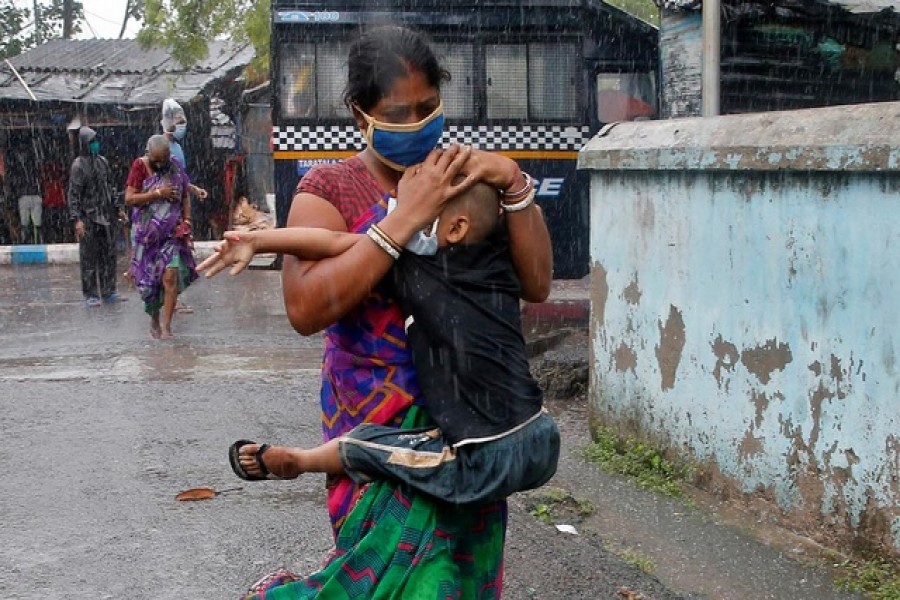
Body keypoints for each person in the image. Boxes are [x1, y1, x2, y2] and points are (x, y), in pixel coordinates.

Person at [217, 25, 553, 599]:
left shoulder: (460, 179)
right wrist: (402, 221)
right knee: (381, 584)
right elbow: (305, 307)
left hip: (467, 428)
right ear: (360, 115)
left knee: (456, 585)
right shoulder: (329, 188)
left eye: (429, 108)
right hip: (374, 435)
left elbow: (536, 282)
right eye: (400, 112)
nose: (419, 123)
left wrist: (515, 183)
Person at [201, 178, 560, 505]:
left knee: (373, 445)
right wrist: (256, 239)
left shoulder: (414, 264)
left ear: (455, 227)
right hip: (541, 434)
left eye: (413, 212)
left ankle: (302, 460)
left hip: (486, 453)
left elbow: (334, 243)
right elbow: (532, 214)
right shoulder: (498, 257)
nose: (398, 221)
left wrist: (259, 241)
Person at [124, 134, 197, 339]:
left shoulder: (174, 167)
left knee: (170, 276)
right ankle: (154, 319)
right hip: (145, 237)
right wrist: (157, 194)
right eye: (156, 160)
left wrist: (187, 220)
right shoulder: (139, 166)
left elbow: (184, 195)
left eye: (163, 159)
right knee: (150, 283)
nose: (160, 164)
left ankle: (167, 327)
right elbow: (129, 198)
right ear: (149, 154)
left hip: (170, 235)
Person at [68, 126, 125, 306]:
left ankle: (109, 290)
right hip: (88, 216)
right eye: (92, 142)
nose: (95, 145)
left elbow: (111, 188)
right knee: (89, 257)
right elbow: (74, 194)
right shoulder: (78, 166)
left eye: (96, 141)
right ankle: (91, 293)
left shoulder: (103, 162)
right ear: (85, 144)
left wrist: (119, 208)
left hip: (106, 216)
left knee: (109, 255)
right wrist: (77, 219)